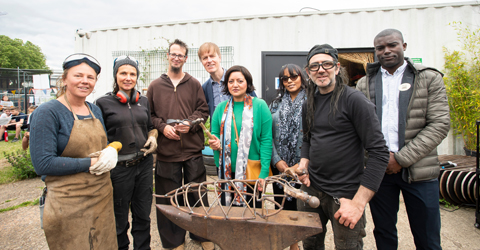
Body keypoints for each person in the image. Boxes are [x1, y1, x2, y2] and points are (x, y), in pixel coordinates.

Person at [356, 29, 450, 249]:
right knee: (384, 233)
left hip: (419, 172)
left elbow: (439, 124)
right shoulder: (364, 84)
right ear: (375, 52)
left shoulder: (428, 78)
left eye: (392, 45)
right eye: (380, 48)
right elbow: (358, 128)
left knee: (427, 236)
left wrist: (401, 159)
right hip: (379, 172)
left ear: (404, 46)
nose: (386, 51)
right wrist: (377, 161)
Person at [295, 44, 389, 250]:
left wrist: (358, 203)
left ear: (337, 68)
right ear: (308, 72)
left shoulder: (354, 101)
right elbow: (308, 139)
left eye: (326, 64)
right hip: (312, 188)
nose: (321, 69)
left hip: (345, 193)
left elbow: (379, 153)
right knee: (310, 245)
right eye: (315, 66)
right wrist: (304, 164)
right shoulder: (308, 102)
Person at [30, 53, 121, 250]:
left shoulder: (94, 110)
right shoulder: (48, 112)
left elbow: (99, 146)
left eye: (90, 77)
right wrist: (92, 163)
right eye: (78, 75)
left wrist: (111, 149)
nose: (84, 81)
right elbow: (43, 164)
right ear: (64, 78)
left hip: (101, 198)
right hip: (69, 202)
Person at [147, 39, 213, 250]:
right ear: (168, 56)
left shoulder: (193, 84)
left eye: (181, 55)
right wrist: (162, 127)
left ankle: (202, 235)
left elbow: (203, 111)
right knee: (169, 200)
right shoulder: (155, 86)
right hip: (167, 153)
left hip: (192, 151)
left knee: (197, 195)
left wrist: (190, 124)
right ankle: (174, 241)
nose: (176, 58)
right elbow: (149, 115)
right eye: (173, 54)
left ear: (185, 59)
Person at [95, 55, 158, 250]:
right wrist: (109, 147)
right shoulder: (102, 103)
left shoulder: (144, 101)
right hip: (119, 170)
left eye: (132, 74)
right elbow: (98, 136)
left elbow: (150, 126)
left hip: (144, 166)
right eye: (123, 73)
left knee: (143, 216)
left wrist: (154, 136)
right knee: (119, 219)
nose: (128, 78)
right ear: (116, 76)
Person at [208, 65, 273, 208]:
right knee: (228, 215)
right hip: (226, 172)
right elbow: (214, 134)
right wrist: (214, 143)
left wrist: (263, 173)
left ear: (248, 83)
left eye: (240, 81)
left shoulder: (260, 106)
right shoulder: (220, 108)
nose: (235, 85)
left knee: (252, 215)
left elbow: (266, 140)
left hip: (251, 172)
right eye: (231, 81)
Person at [269, 64, 307, 250]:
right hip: (281, 167)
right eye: (285, 78)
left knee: (303, 210)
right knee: (282, 208)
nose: (290, 81)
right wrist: (277, 161)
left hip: (303, 166)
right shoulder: (275, 103)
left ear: (302, 77)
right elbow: (268, 136)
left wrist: (302, 163)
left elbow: (316, 135)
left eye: (294, 76)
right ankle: (290, 244)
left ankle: (300, 244)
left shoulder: (313, 101)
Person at [198, 42, 256, 120]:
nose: (209, 60)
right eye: (205, 58)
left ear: (219, 58)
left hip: (243, 128)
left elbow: (255, 104)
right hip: (219, 130)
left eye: (212, 56)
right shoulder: (205, 88)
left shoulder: (240, 79)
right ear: (202, 62)